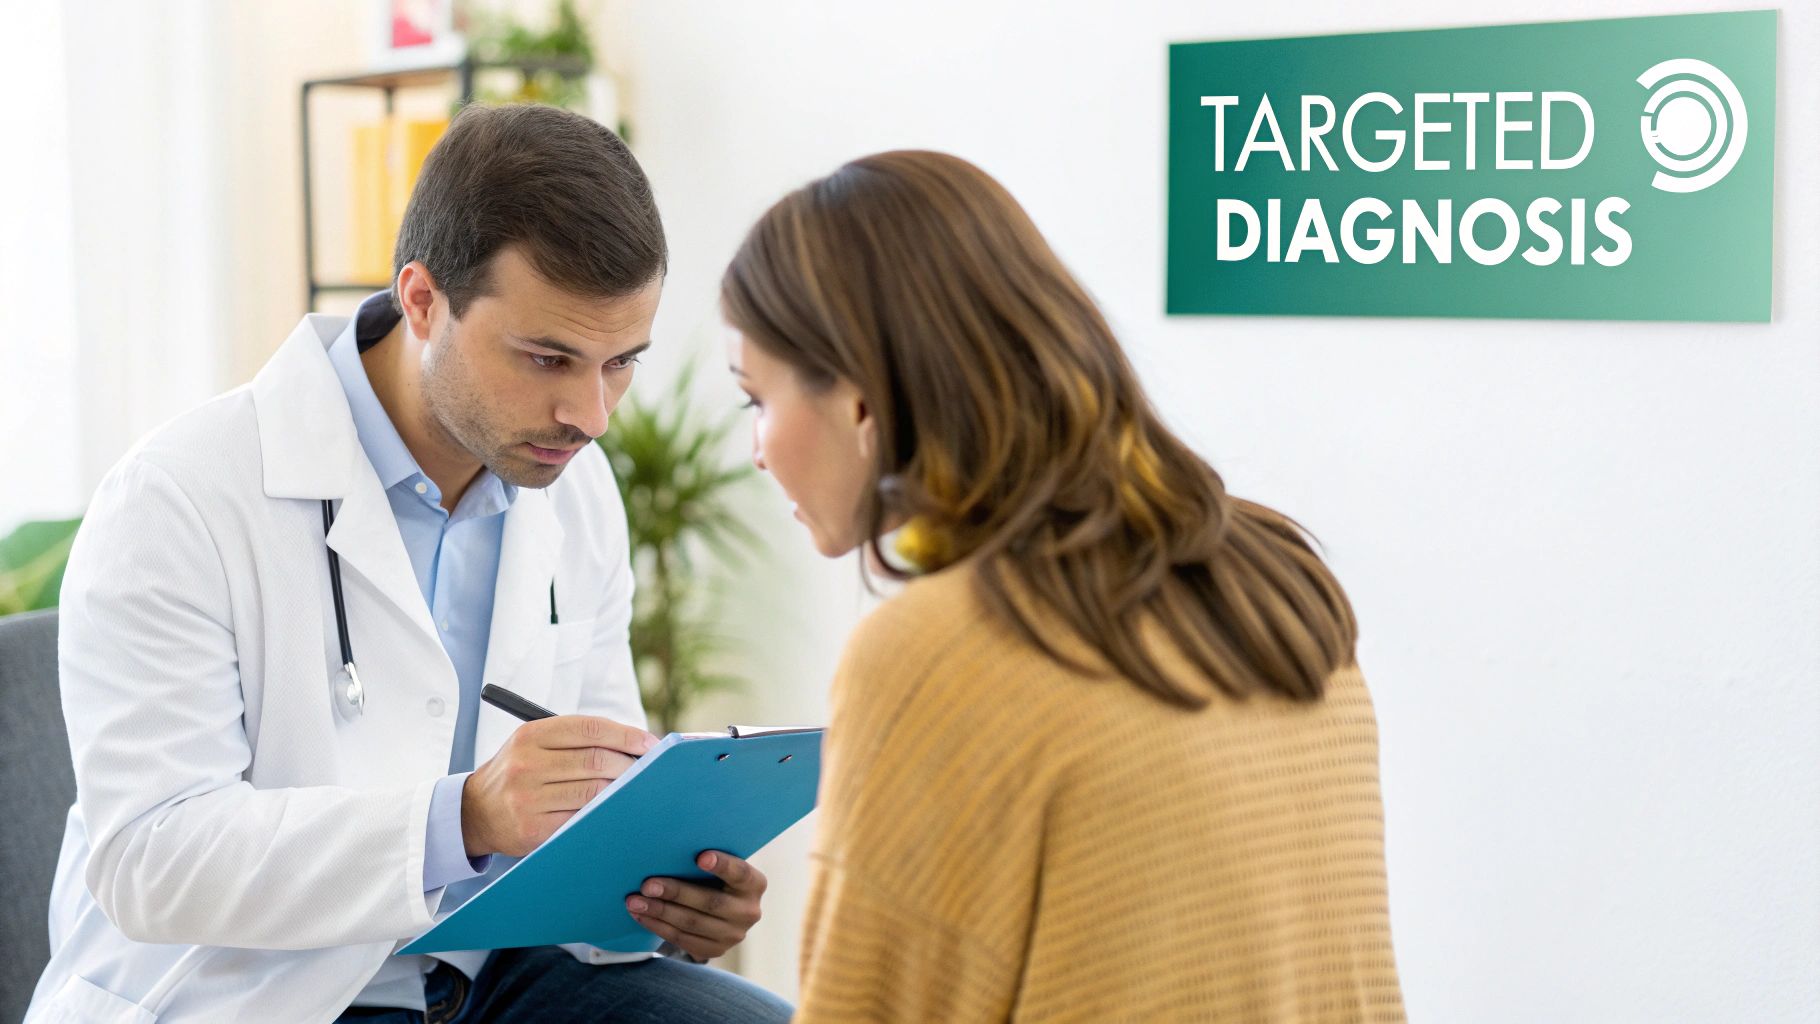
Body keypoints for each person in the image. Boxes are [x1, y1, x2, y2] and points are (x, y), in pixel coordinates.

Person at [28, 104, 792, 1023]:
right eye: (548, 357)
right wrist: (462, 818)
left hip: (499, 974)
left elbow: (597, 798)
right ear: (423, 299)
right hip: (253, 993)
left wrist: (664, 896)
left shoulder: (576, 496)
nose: (590, 415)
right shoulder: (177, 498)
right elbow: (148, 860)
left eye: (619, 363)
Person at [721, 150, 1407, 1022]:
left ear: (859, 403)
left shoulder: (937, 650)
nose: (756, 448)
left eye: (756, 400)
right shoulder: (1276, 577)